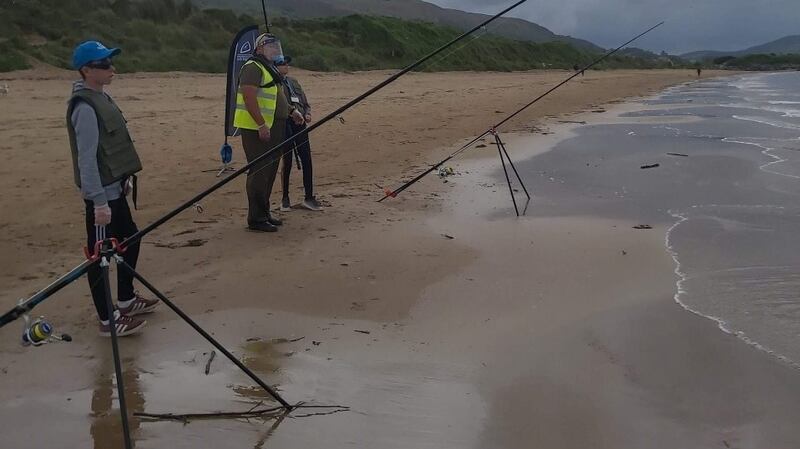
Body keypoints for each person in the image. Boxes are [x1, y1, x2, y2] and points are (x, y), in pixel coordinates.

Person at [67, 40, 159, 336]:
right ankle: (108, 320)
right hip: (102, 197)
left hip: (116, 189)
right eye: (104, 64)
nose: (112, 69)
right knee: (100, 257)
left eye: (110, 62)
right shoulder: (84, 108)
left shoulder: (102, 97)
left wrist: (125, 180)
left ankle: (126, 299)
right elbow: (87, 159)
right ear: (86, 70)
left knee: (131, 239)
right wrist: (98, 202)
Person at [233, 33, 305, 232]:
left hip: (276, 125)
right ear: (259, 49)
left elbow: (278, 96)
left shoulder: (270, 69)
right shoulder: (252, 68)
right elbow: (249, 97)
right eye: (270, 46)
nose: (274, 49)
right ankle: (256, 218)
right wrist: (261, 124)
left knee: (271, 170)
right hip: (258, 128)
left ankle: (264, 212)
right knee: (259, 171)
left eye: (276, 46)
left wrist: (292, 111)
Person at [276, 55, 322, 212]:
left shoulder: (293, 82)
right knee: (287, 160)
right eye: (282, 63)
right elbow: (280, 103)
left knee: (307, 159)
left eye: (286, 63)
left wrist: (307, 113)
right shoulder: (275, 84)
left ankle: (309, 197)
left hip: (301, 125)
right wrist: (293, 114)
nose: (286, 65)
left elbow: (305, 102)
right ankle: (285, 198)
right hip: (286, 125)